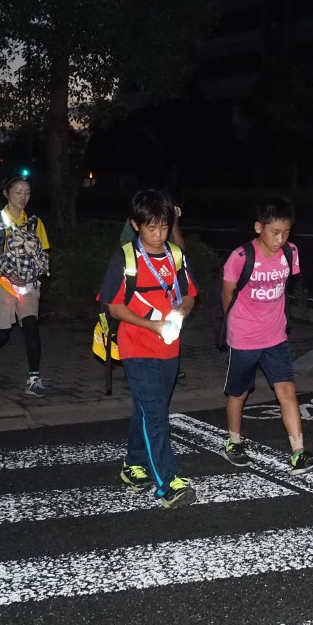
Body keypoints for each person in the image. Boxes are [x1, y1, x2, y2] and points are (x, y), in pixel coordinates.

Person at [98, 188, 198, 508]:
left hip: (169, 346)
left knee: (147, 408)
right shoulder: (126, 258)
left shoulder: (176, 256)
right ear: (136, 225)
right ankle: (167, 484)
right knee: (156, 414)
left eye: (164, 226)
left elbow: (190, 295)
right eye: (151, 227)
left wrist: (180, 313)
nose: (158, 234)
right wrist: (151, 325)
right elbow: (114, 307)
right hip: (136, 346)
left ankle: (132, 464)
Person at [220, 196, 313, 474]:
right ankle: (233, 442)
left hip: (276, 336)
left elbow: (284, 286)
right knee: (239, 392)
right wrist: (235, 325)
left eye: (286, 233)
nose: (281, 239)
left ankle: (298, 453)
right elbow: (227, 293)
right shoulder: (241, 257)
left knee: (287, 391)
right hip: (244, 337)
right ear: (259, 227)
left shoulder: (291, 253)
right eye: (275, 232)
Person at [0, 176, 51, 396]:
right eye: (18, 192)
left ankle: (33, 378)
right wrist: (7, 274)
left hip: (28, 285)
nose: (23, 197)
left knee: (31, 327)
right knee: (2, 335)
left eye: (27, 192)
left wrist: (36, 270)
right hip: (1, 285)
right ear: (6, 194)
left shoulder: (35, 223)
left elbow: (43, 252)